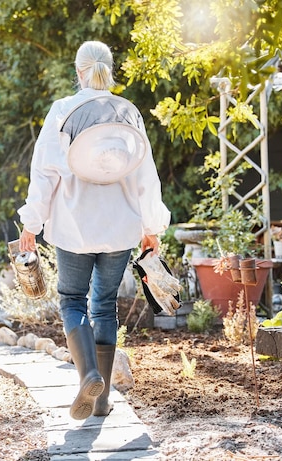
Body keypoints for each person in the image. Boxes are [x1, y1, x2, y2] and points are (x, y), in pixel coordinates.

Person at [18, 40, 170, 420]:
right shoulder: (127, 113)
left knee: (72, 300)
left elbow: (44, 174)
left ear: (78, 69)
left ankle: (88, 376)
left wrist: (31, 224)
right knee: (104, 305)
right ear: (109, 69)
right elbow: (146, 177)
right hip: (120, 228)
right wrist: (152, 226)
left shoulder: (62, 111)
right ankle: (101, 400)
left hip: (74, 226)